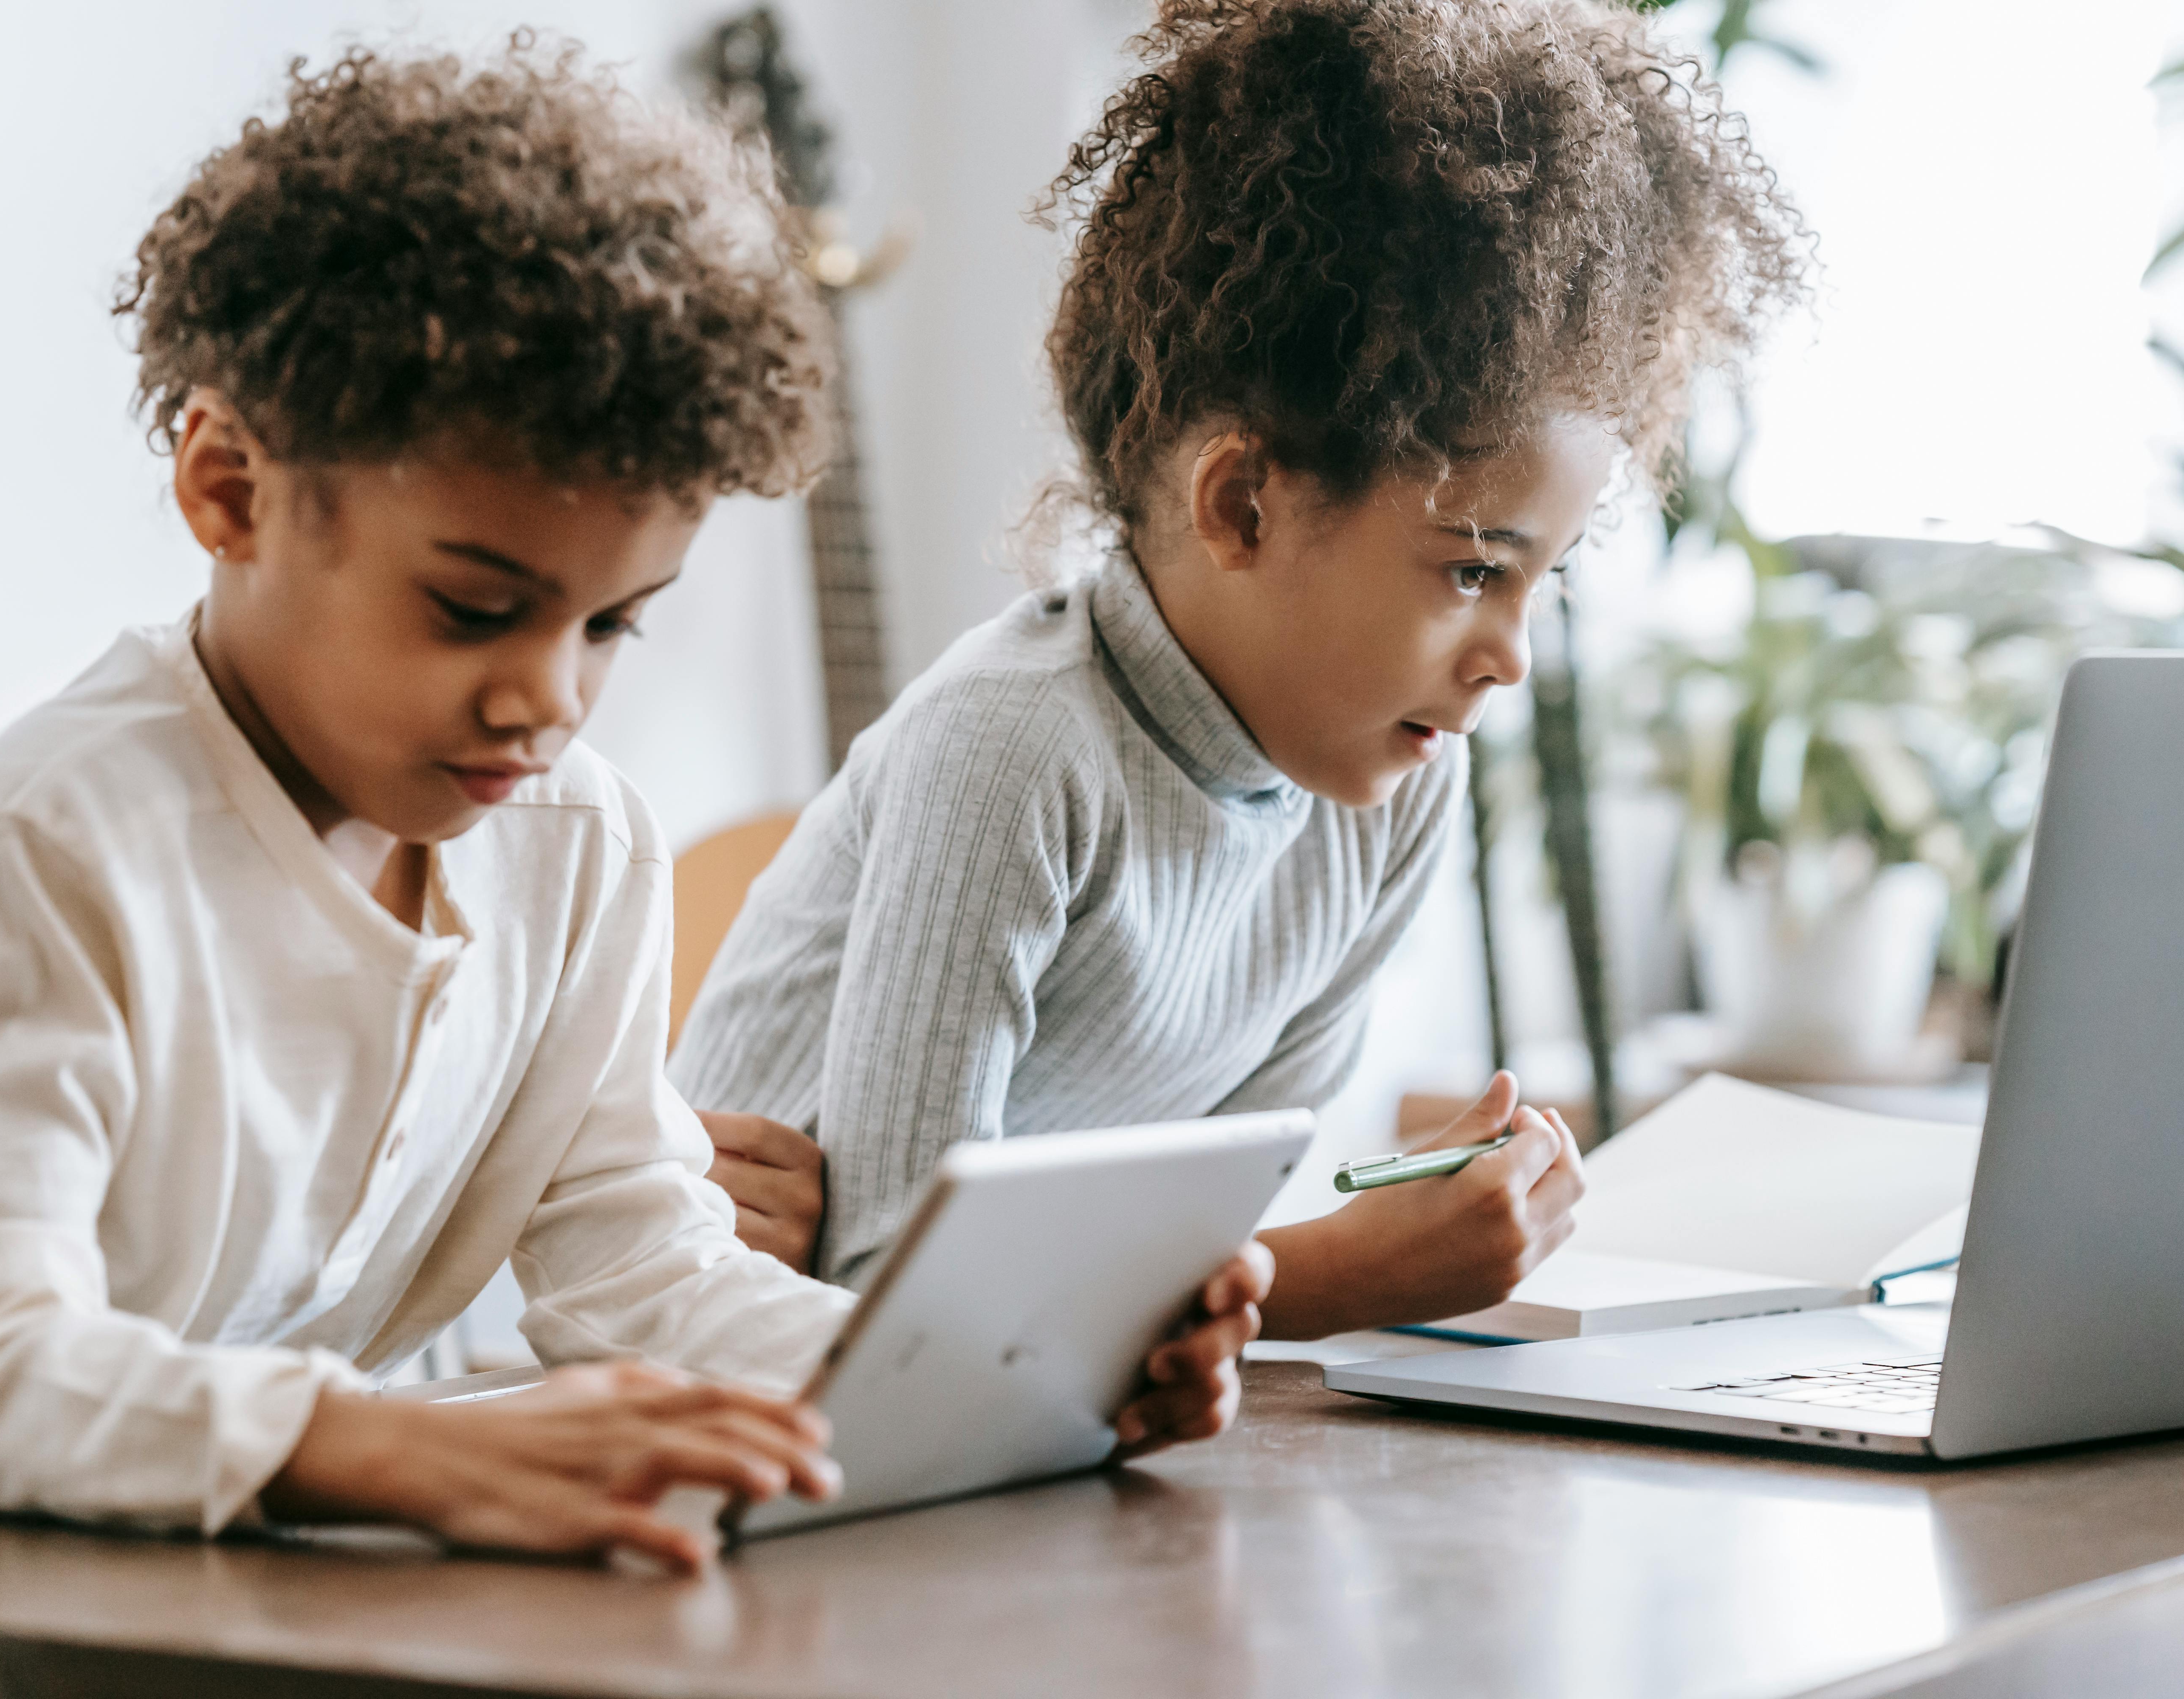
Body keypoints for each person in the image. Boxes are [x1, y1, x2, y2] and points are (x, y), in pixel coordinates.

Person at [0, 40, 1267, 1571]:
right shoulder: (51, 849)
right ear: (229, 489)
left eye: (610, 625)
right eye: (472, 608)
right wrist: (393, 1448)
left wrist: (1014, 1387)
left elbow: (644, 1265)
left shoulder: (578, 848)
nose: (548, 701)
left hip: (237, 1591)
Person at [676, 0, 1809, 1329]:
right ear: (1243, 508)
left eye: (1540, 582)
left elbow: (1182, 1238)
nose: (1507, 657)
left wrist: (1273, 1270)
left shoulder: (1389, 798)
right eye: (1471, 571)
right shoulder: (1013, 750)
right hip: (721, 1392)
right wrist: (1347, 1274)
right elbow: (900, 1300)